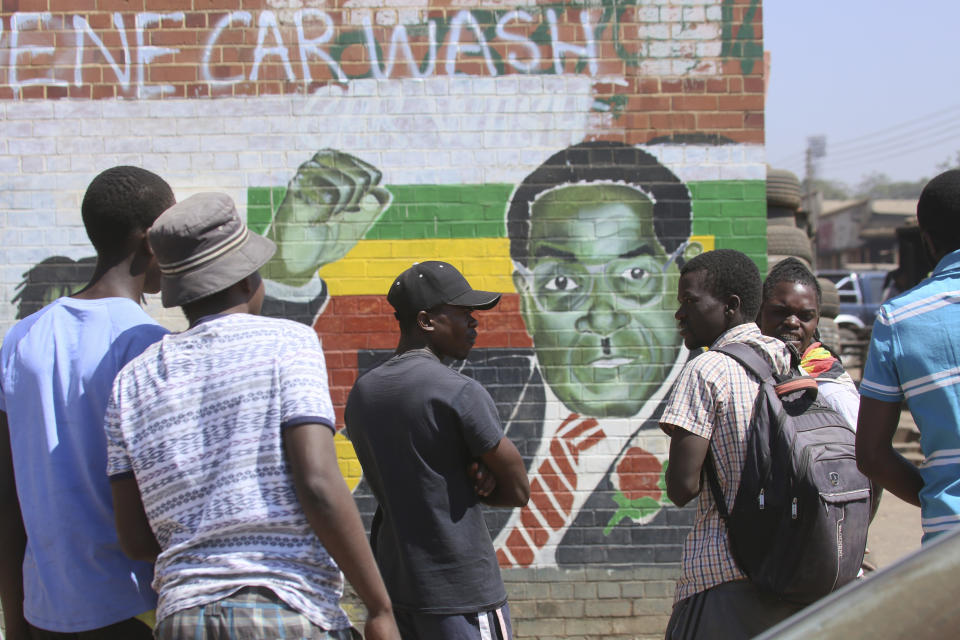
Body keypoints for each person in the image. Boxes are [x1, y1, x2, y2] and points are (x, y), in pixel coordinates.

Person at [104, 192, 399, 640]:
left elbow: (136, 540)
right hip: (283, 604)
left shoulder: (131, 382)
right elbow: (318, 484)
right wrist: (379, 607)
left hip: (180, 616)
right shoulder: (288, 344)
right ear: (247, 280)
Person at [492, 140, 701, 566]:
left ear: (685, 280)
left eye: (634, 274)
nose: (602, 319)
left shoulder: (720, 409)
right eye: (563, 284)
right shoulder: (476, 397)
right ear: (526, 301)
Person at [0, 166, 174, 639]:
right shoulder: (148, 344)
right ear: (151, 239)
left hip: (44, 610)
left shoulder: (21, 338)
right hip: (134, 606)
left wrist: (15, 622)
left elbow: (9, 497)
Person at [345, 260, 530, 640]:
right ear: (427, 321)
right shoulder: (458, 391)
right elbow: (518, 491)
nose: (475, 323)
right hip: (460, 590)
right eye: (464, 313)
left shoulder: (363, 394)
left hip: (395, 589)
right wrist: (481, 479)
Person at [660, 249, 803, 639]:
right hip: (794, 566)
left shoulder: (707, 369)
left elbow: (681, 488)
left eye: (690, 301)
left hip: (723, 573)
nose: (680, 314)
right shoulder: (789, 360)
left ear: (730, 306)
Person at [857, 169, 960, 543]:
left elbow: (870, 455)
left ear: (928, 242)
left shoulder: (898, 319)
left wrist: (937, 496)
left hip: (948, 544)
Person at [758, 257, 860, 429]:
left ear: (816, 321)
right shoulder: (745, 373)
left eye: (805, 316)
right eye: (780, 312)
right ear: (759, 314)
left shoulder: (831, 390)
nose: (792, 322)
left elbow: (863, 451)